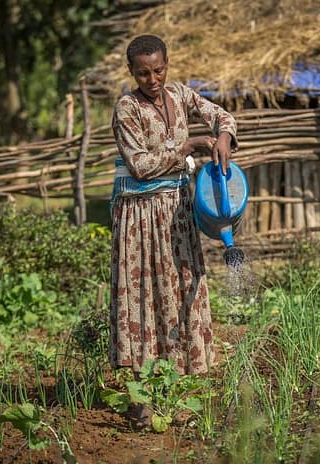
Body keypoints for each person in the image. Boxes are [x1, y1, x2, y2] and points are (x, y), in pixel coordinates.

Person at [109, 34, 237, 424]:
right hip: (141, 215)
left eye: (159, 69)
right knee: (143, 297)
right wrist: (189, 144)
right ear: (132, 73)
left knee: (180, 290)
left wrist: (224, 138)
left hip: (178, 213)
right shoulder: (126, 109)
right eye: (144, 73)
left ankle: (177, 389)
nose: (153, 78)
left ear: (168, 63)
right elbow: (141, 166)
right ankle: (140, 398)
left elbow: (222, 116)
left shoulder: (181, 95)